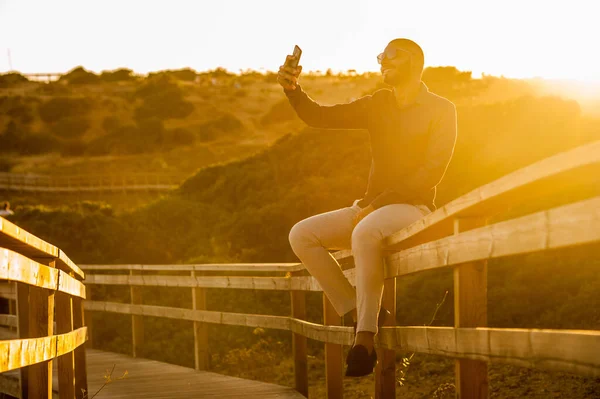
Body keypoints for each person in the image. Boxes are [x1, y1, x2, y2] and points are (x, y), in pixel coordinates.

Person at [278, 38, 457, 377]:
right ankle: (359, 313)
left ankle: (364, 339)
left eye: (390, 55)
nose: (381, 61)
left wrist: (376, 204)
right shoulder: (379, 104)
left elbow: (432, 172)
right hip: (370, 209)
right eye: (380, 56)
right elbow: (319, 117)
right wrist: (293, 90)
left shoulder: (441, 109)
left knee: (365, 231)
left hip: (413, 208)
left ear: (414, 61)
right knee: (302, 235)